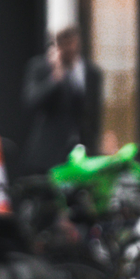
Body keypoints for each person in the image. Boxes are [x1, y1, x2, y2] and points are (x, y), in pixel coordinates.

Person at [18, 26, 101, 175]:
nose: (70, 48)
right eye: (64, 43)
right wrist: (55, 78)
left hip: (82, 155)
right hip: (48, 156)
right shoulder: (41, 67)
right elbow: (31, 101)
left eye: (73, 43)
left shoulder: (90, 72)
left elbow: (94, 114)